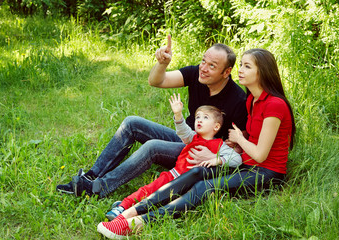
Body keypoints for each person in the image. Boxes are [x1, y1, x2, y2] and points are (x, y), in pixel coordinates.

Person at [96, 48, 296, 239]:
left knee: (205, 187)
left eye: (247, 67)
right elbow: (249, 139)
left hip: (266, 174)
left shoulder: (274, 104)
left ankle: (137, 223)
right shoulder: (252, 99)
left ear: (263, 72)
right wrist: (225, 151)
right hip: (245, 164)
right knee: (195, 172)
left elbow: (260, 155)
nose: (240, 70)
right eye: (241, 65)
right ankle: (129, 211)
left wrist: (239, 140)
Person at [56, 35, 247, 198]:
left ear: (226, 72)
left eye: (212, 66)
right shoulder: (196, 74)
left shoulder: (238, 99)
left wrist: (215, 156)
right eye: (203, 60)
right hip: (186, 137)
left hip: (200, 152)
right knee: (131, 123)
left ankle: (99, 188)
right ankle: (91, 177)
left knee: (152, 147)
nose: (203, 68)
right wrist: (162, 64)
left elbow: (238, 147)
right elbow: (156, 80)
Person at [105, 93, 242, 220]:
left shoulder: (219, 145)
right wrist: (178, 114)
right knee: (150, 189)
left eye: (205, 118)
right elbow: (182, 131)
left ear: (216, 126)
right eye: (198, 117)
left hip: (190, 183)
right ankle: (123, 206)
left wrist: (216, 159)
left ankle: (128, 209)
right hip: (173, 175)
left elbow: (237, 159)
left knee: (163, 201)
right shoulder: (192, 137)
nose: (199, 120)